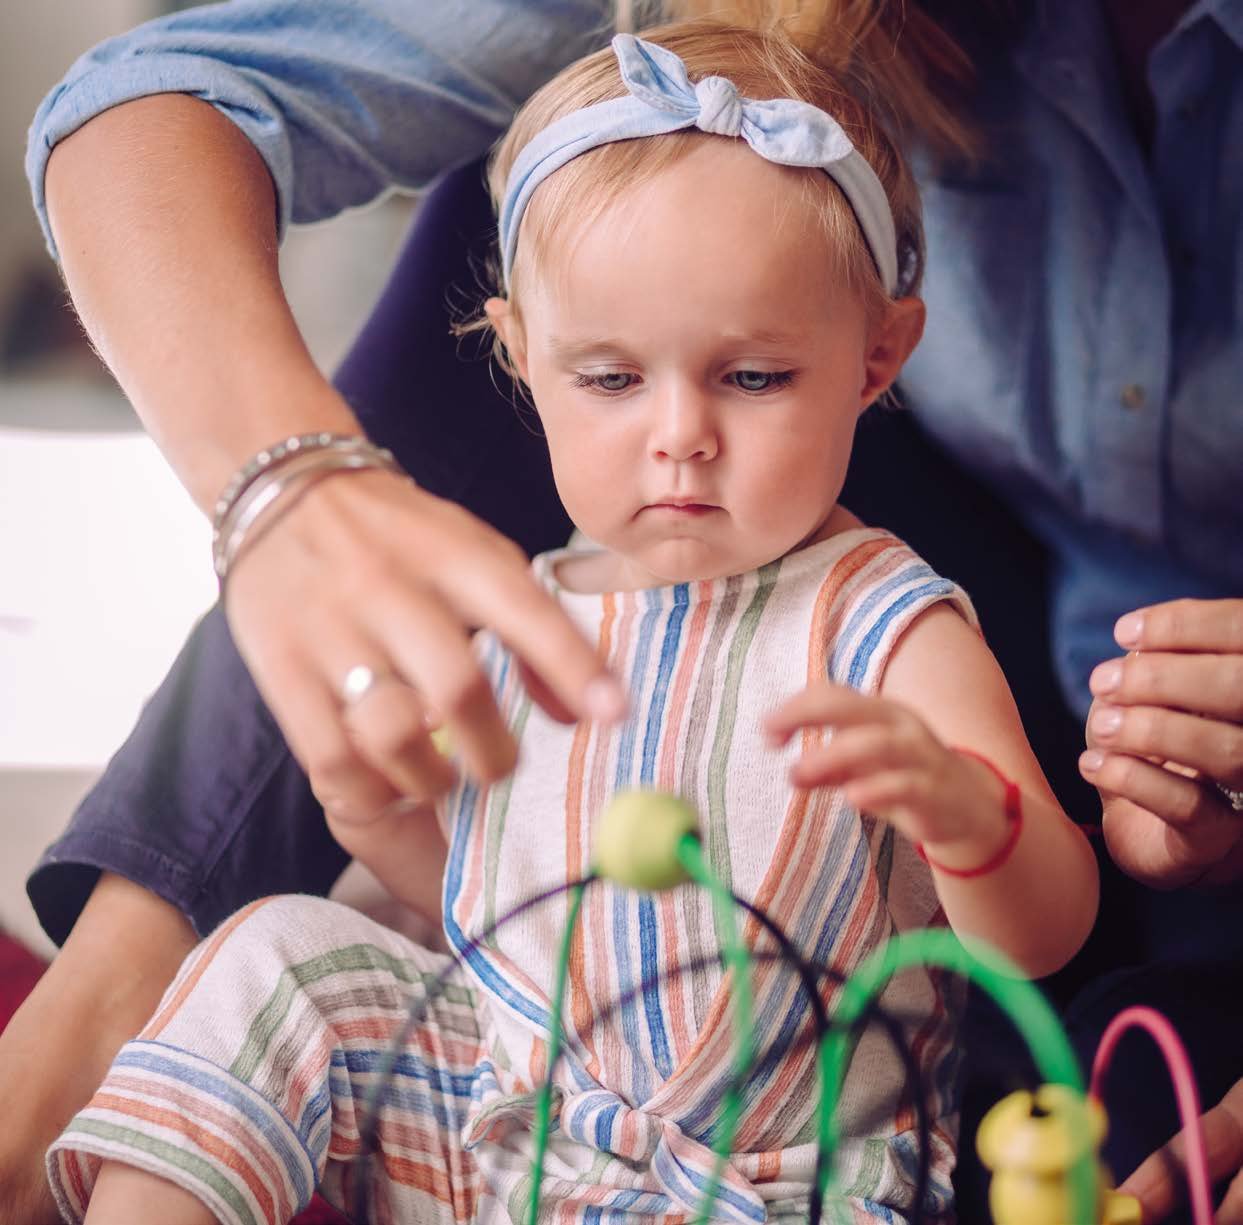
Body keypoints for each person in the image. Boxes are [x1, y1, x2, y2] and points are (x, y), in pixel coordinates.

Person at [4, 0, 1240, 1221]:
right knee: (274, 955)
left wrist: (969, 820)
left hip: (772, 1180)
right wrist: (387, 824)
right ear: (518, 359)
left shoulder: (885, 625)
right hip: (519, 1127)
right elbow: (512, 928)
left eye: (753, 378)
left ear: (879, 358)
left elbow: (1039, 935)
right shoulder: (537, 609)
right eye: (608, 379)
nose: (681, 438)